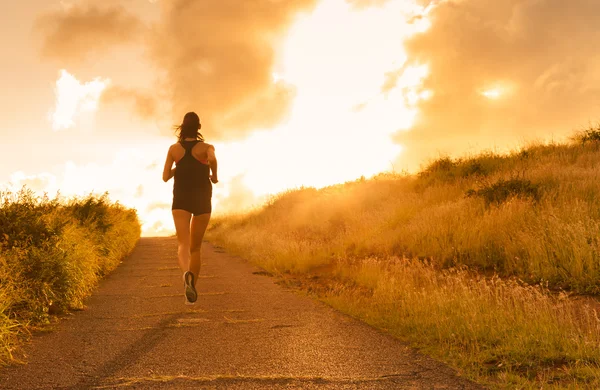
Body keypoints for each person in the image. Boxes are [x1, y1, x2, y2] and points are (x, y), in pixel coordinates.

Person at [162, 112, 218, 305]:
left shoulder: (174, 149)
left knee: (183, 244)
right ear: (199, 127)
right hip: (202, 198)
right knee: (196, 248)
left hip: (181, 199)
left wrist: (181, 167)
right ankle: (192, 286)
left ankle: (185, 274)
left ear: (182, 127)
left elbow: (165, 176)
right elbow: (212, 160)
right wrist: (214, 176)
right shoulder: (206, 147)